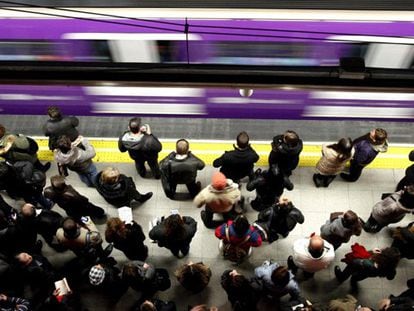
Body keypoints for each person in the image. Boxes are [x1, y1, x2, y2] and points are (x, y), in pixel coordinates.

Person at [335, 246, 400, 287]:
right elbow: (390, 277)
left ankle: (341, 277)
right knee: (359, 276)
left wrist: (371, 252)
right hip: (369, 274)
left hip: (361, 267)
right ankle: (354, 280)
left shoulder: (370, 263)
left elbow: (355, 262)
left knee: (350, 270)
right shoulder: (391, 268)